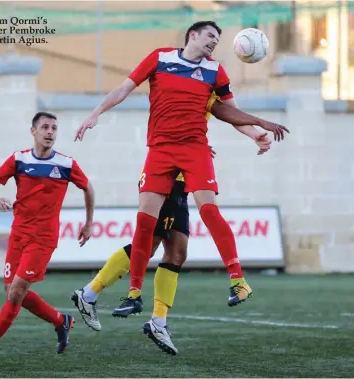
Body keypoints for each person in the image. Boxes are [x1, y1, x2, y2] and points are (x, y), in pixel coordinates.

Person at [73, 94, 289, 355]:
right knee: (151, 244)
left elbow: (232, 114)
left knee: (177, 250)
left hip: (184, 177)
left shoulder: (209, 84)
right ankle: (91, 294)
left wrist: (251, 134)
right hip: (167, 176)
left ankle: (155, 320)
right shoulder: (180, 81)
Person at [0, 112, 95, 363]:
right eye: (45, 127)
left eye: (54, 128)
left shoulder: (66, 164)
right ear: (33, 131)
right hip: (19, 235)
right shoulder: (19, 159)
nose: (50, 132)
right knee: (10, 291)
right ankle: (61, 321)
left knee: (16, 291)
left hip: (43, 238)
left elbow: (88, 188)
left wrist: (88, 223)